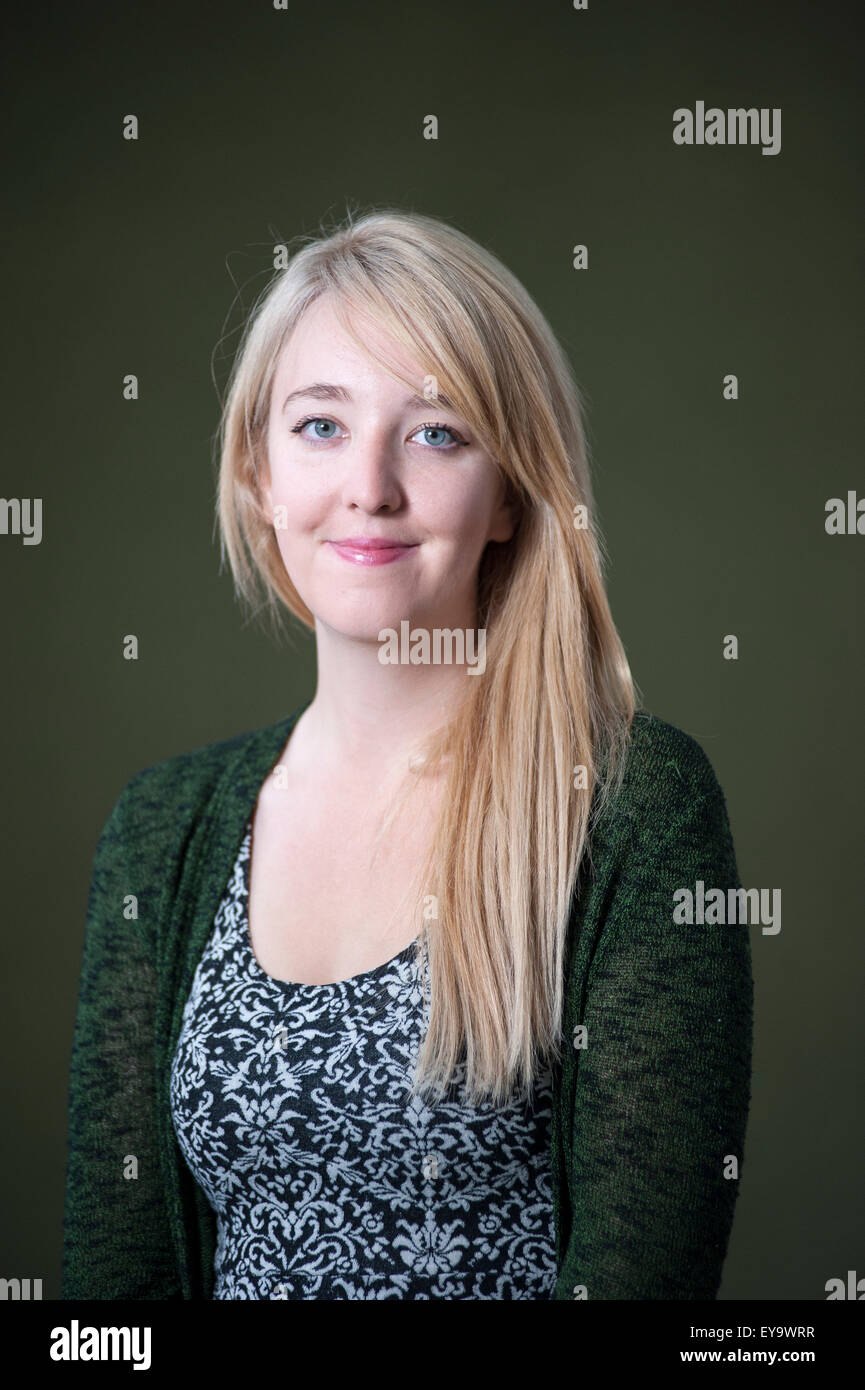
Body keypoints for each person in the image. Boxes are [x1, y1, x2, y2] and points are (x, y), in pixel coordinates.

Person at [61, 208, 753, 1300]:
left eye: (435, 433)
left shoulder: (631, 804)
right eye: (320, 426)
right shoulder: (160, 831)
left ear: (510, 494)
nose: (370, 486)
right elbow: (113, 1296)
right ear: (258, 475)